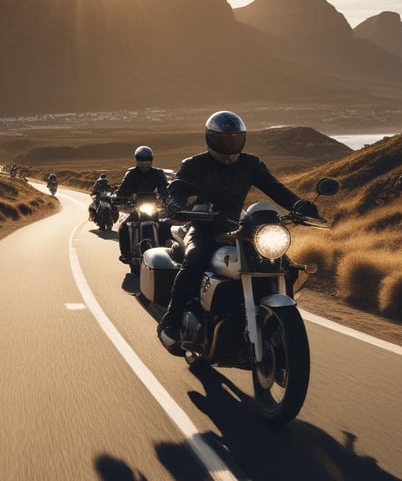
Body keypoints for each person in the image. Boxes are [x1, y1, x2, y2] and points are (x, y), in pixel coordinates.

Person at [157, 110, 320, 352]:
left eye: (235, 139)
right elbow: (178, 190)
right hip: (203, 227)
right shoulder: (194, 165)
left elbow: (276, 188)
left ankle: (275, 324)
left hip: (241, 227)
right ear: (211, 138)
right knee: (194, 259)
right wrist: (177, 207)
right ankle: (171, 319)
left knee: (282, 264)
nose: (230, 144)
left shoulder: (250, 164)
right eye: (224, 139)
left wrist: (299, 205)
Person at [115, 146, 170, 263]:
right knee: (123, 227)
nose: (144, 163)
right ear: (137, 160)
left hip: (153, 207)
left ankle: (167, 253)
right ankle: (125, 254)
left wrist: (166, 199)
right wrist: (120, 199)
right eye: (141, 160)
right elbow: (122, 190)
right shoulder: (131, 174)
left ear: (151, 160)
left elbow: (164, 189)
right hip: (137, 207)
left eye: (146, 160)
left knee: (165, 226)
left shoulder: (157, 173)